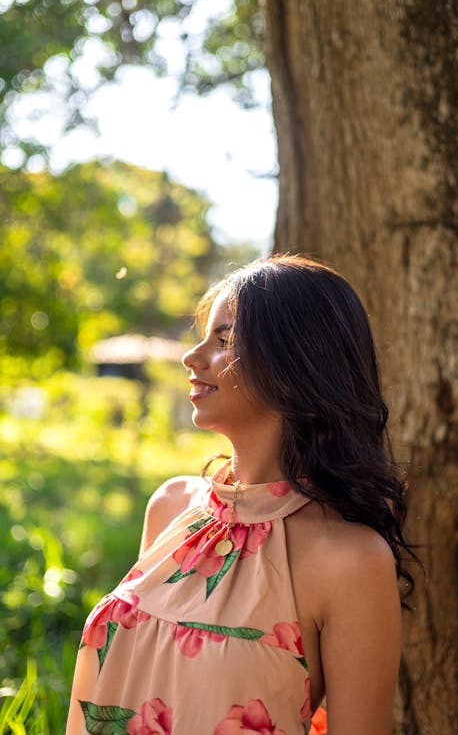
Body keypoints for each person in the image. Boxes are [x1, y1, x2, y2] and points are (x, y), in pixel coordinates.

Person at [66, 254, 415, 735]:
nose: (192, 356)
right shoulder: (171, 506)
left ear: (296, 361)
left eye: (224, 339)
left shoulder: (350, 560)